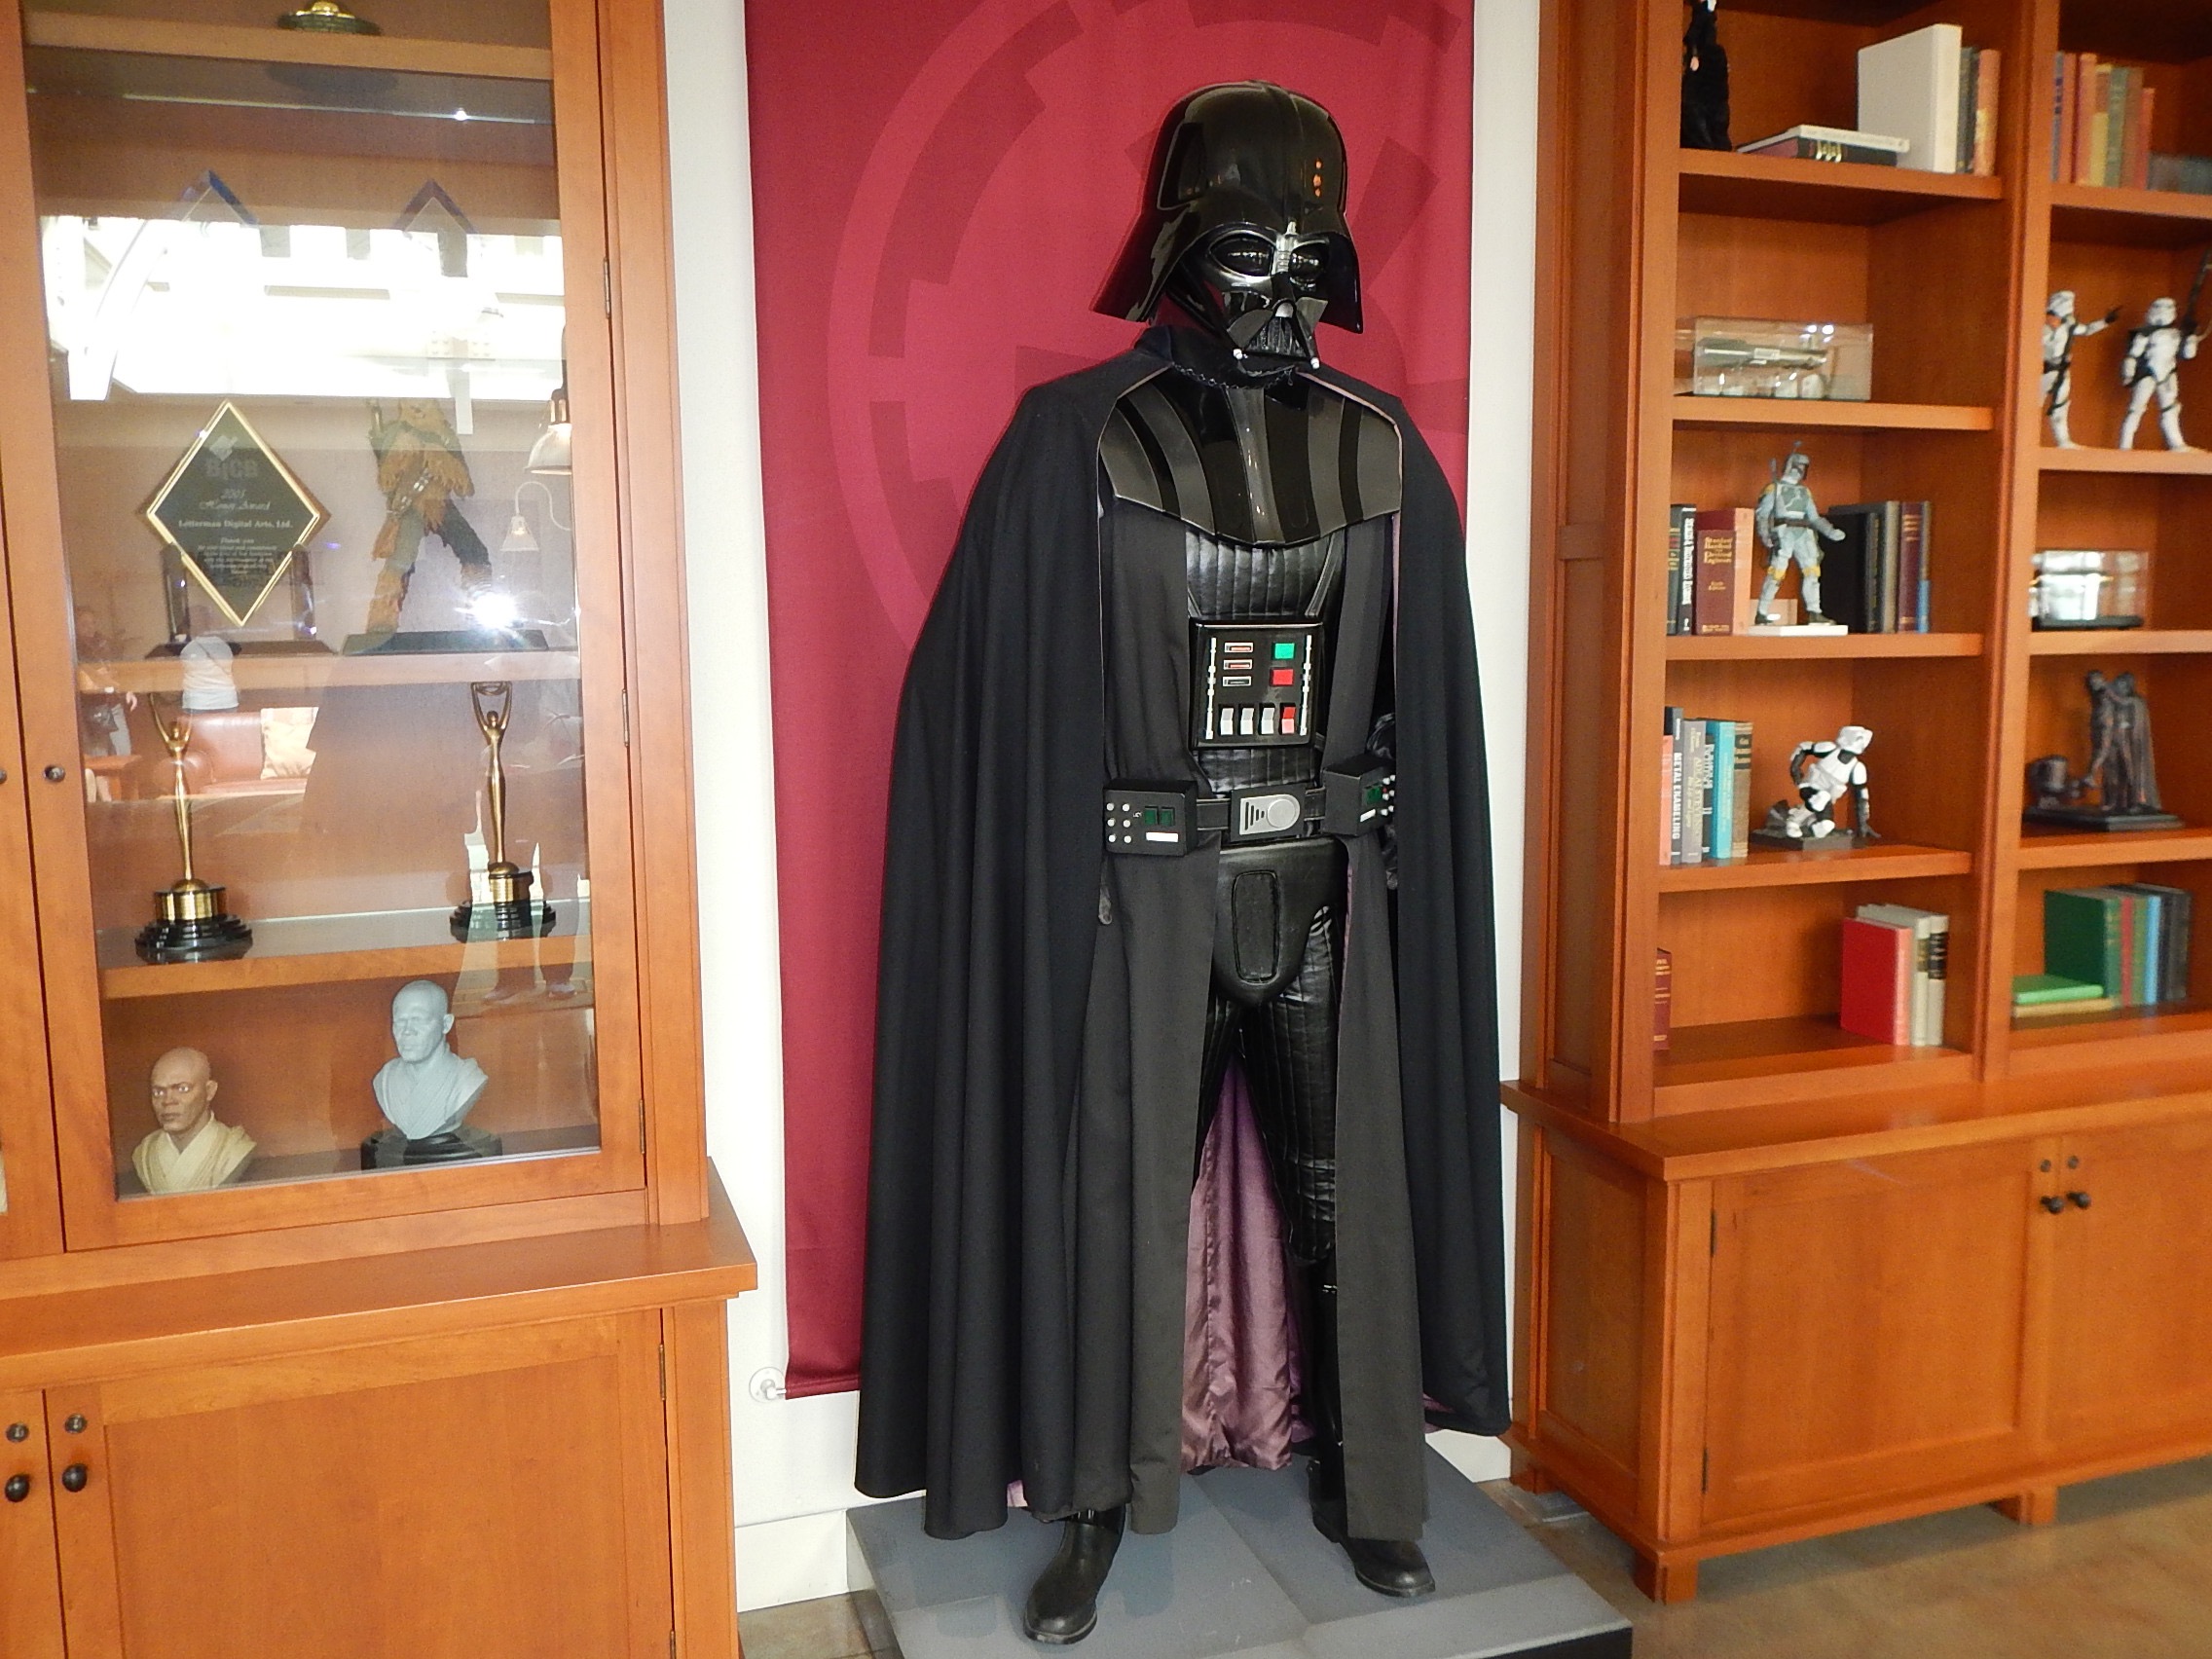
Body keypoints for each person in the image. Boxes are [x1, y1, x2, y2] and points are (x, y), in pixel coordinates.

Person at [857, 82, 1507, 1646]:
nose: (1279, 285)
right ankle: (1091, 1501)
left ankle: (1370, 1484)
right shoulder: (1072, 439)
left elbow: (1423, 695)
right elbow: (993, 700)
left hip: (1327, 884)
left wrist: (1398, 858)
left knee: (1348, 1196)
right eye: (1243, 246)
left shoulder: (1382, 447)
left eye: (1304, 251)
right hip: (1140, 893)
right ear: (1176, 245)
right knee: (1116, 1202)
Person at [372, 979, 488, 1141]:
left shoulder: (465, 1079)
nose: (407, 1031)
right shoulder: (385, 1079)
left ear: (446, 1024)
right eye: (399, 1021)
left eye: (418, 1020)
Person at [132, 1047, 255, 1194]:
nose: (167, 1101)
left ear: (209, 1091)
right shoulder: (144, 1154)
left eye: (182, 1089)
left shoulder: (233, 1150)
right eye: (158, 1092)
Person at [1752, 448, 1845, 626]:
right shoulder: (1774, 488)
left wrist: (1830, 531)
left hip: (1804, 533)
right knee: (1777, 572)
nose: (1799, 470)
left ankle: (1814, 611)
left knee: (1812, 572)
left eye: (1803, 467)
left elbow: (1815, 518)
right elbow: (1763, 515)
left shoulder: (1805, 492)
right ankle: (1762, 612)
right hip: (1783, 532)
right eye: (1796, 465)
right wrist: (1765, 535)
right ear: (1788, 465)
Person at [2119, 297, 2207, 452]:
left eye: (2167, 309)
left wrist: (2191, 338)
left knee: (2170, 408)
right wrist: (2128, 375)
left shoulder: (2177, 334)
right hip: (2148, 373)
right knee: (2136, 408)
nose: (2163, 312)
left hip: (2168, 373)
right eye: (2159, 309)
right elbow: (2133, 355)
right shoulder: (2144, 334)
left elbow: (2188, 354)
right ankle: (2125, 444)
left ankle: (2176, 443)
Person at [2042, 289, 2115, 450]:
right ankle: (2026, 438)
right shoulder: (2040, 324)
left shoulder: (2069, 325)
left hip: (2061, 371)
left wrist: (2105, 322)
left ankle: (2063, 441)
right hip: (2042, 371)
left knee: (2061, 406)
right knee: (2031, 405)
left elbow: (2087, 330)